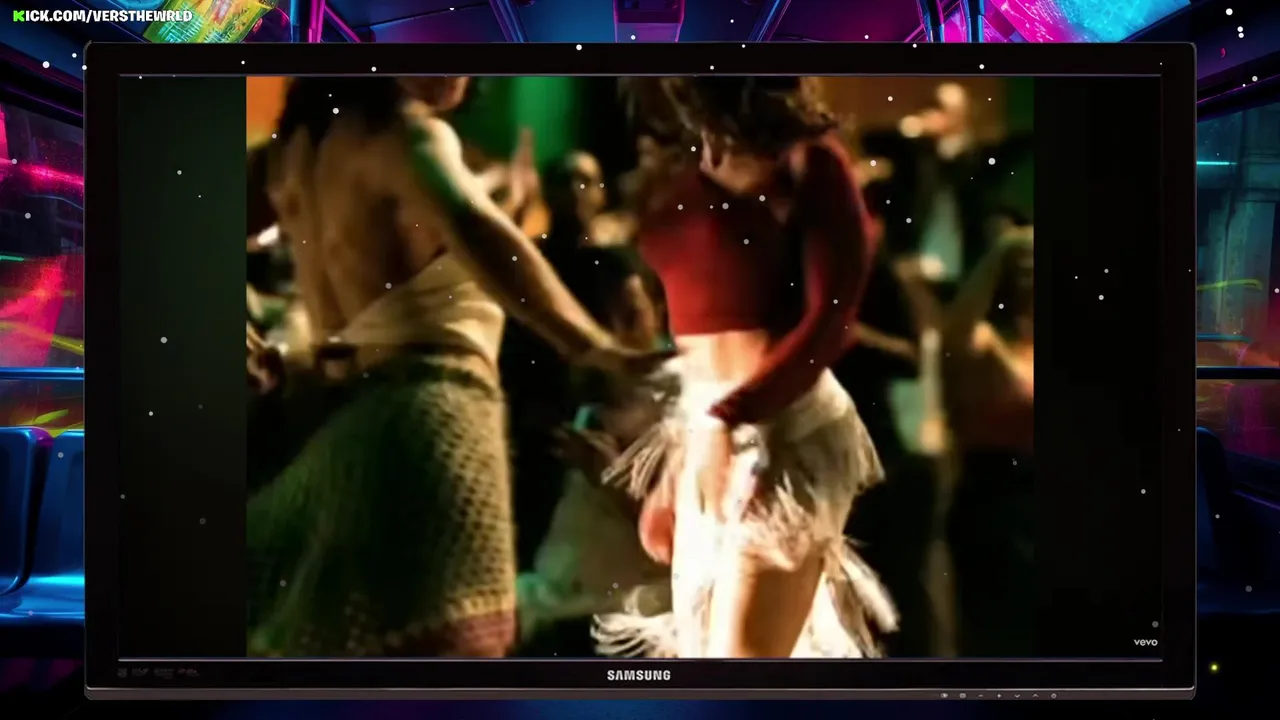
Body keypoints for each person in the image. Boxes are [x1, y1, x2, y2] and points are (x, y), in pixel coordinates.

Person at [246, 76, 670, 658]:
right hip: (427, 437)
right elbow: (474, 222)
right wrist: (591, 345)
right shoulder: (405, 133)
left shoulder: (291, 152)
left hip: (338, 443)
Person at [595, 77, 898, 658]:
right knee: (703, 656)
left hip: (783, 430)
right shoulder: (685, 154)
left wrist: (731, 417)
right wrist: (682, 451)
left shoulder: (809, 159)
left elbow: (831, 321)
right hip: (705, 425)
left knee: (741, 662)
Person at [516, 246, 669, 654]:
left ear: (657, 312)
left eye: (632, 318)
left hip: (639, 611)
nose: (616, 339)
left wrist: (615, 479)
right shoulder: (555, 406)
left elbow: (699, 541)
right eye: (599, 323)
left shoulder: (688, 404)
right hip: (557, 601)